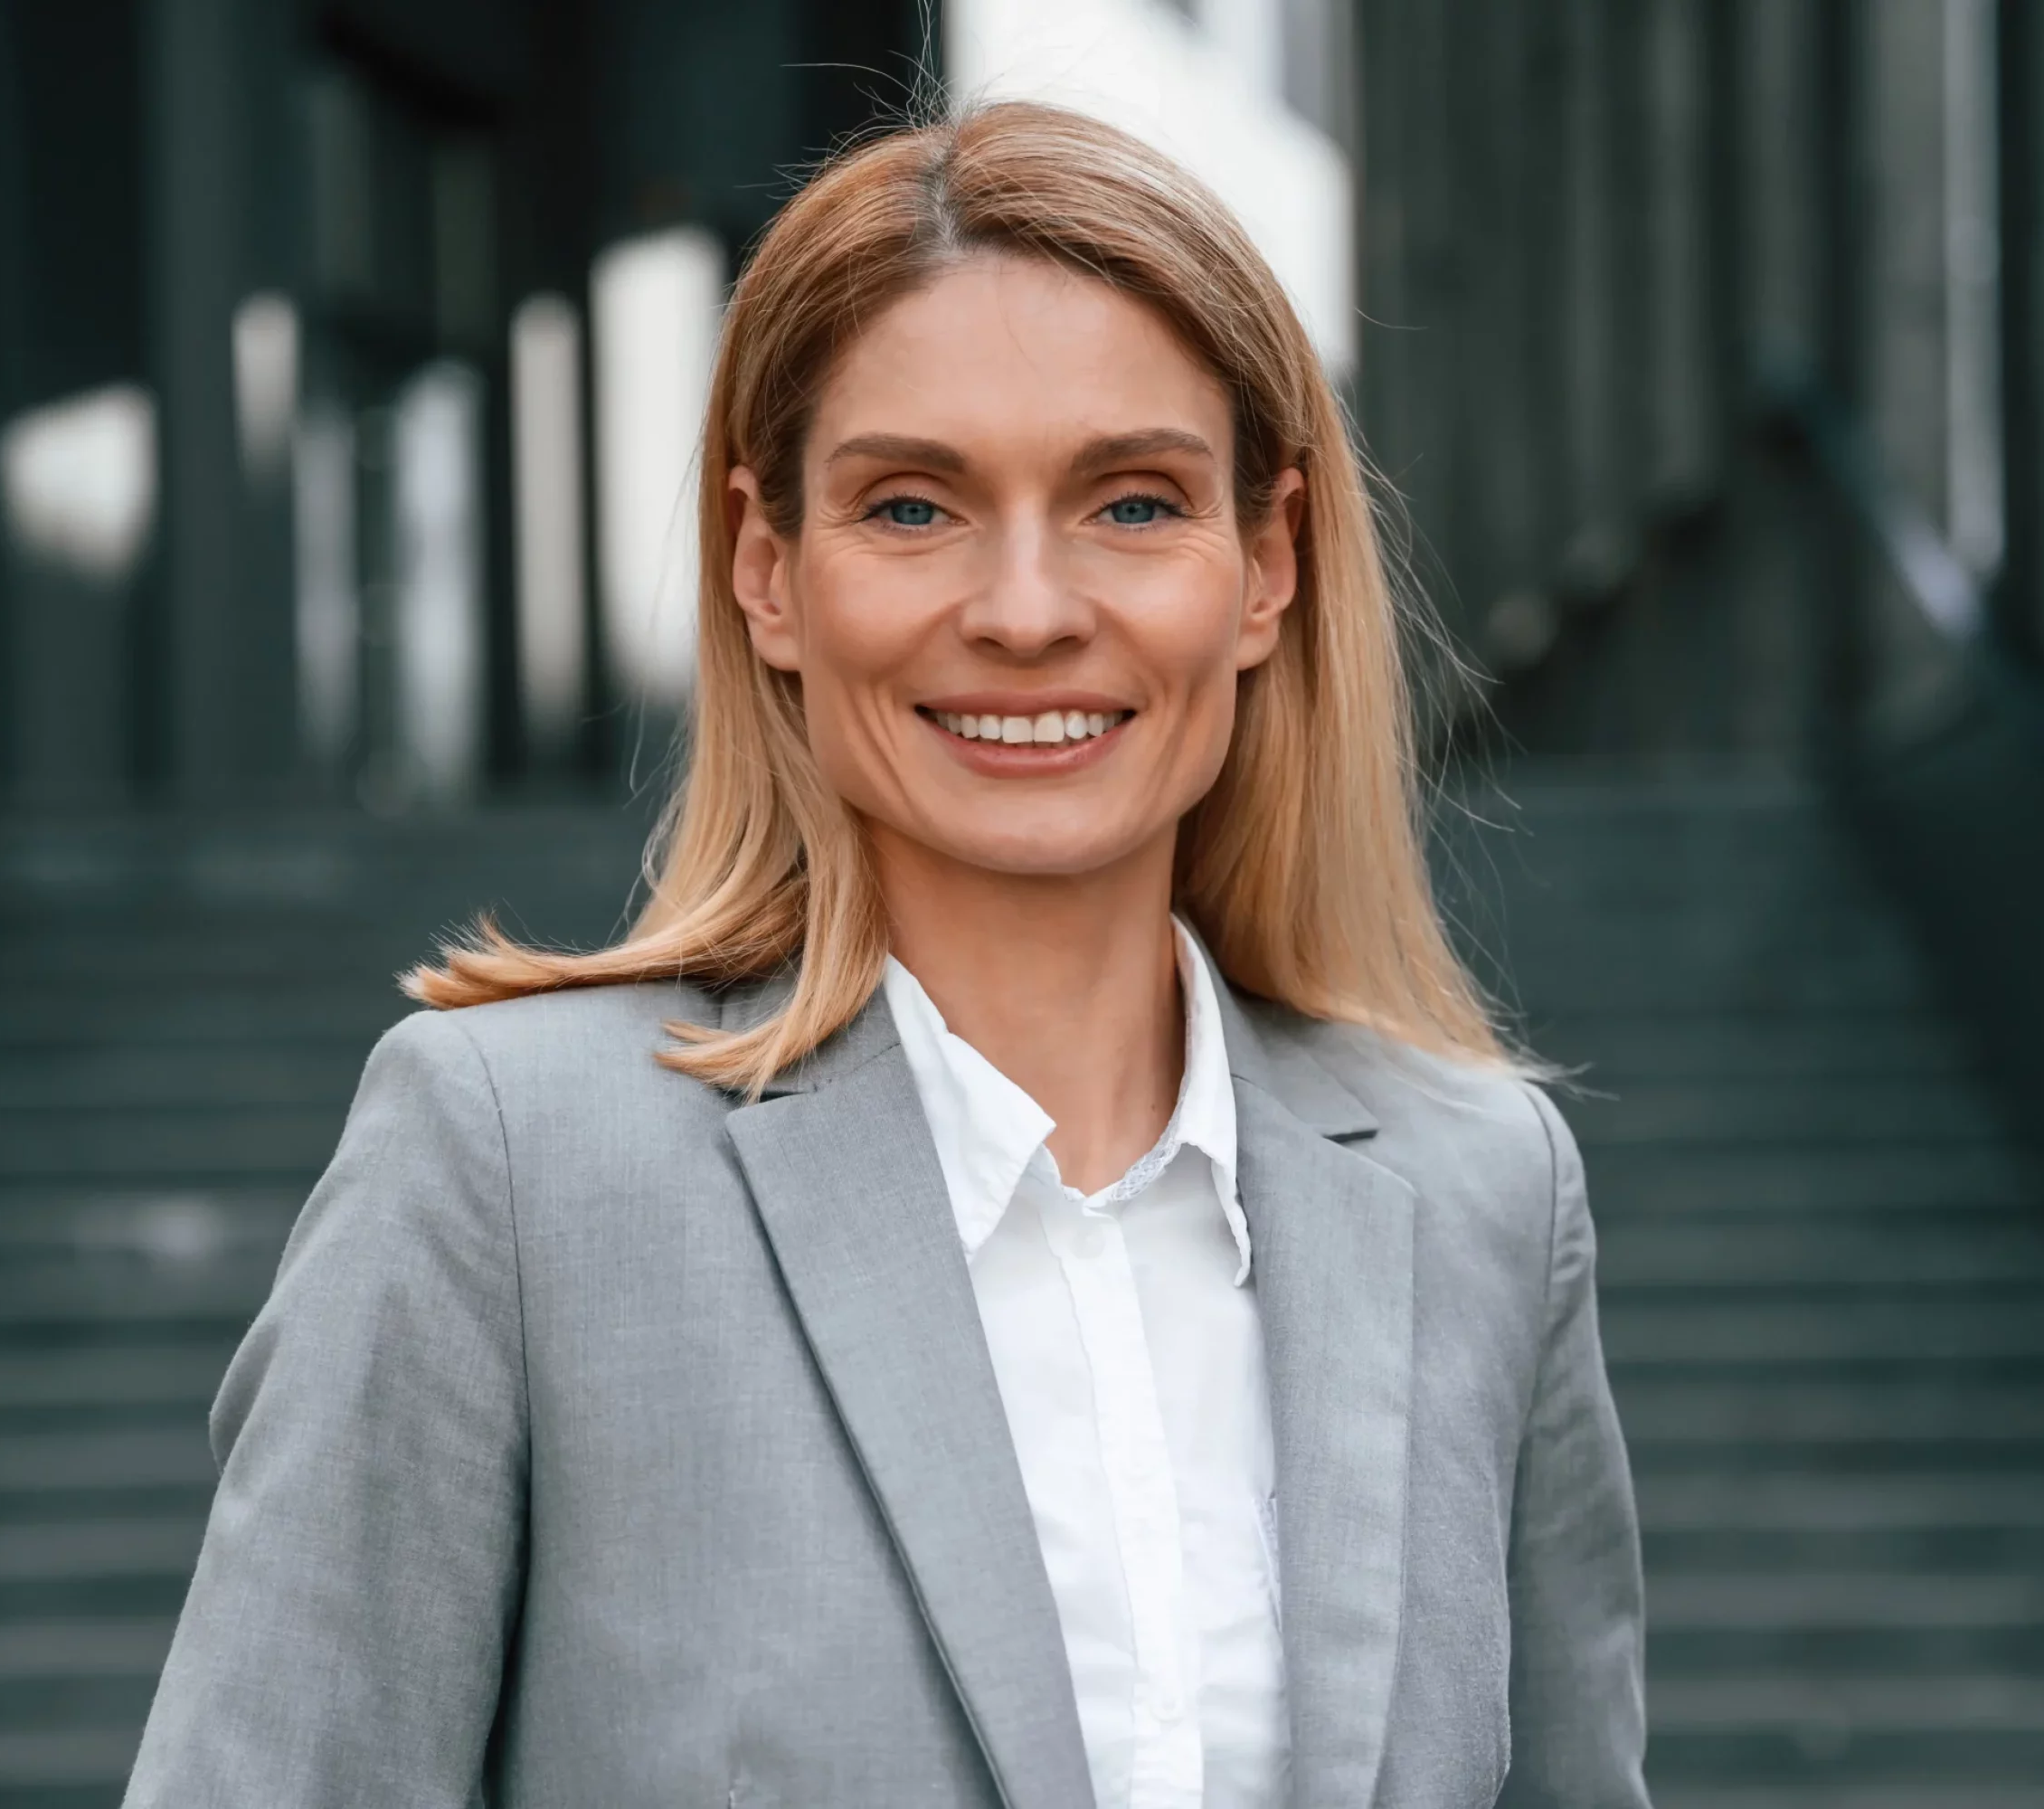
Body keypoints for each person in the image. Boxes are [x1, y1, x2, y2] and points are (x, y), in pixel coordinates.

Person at [124, 99, 1647, 1809]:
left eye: (1134, 505)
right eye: (913, 509)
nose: (1022, 608)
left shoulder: (1484, 1194)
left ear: (1268, 564)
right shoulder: (512, 1170)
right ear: (770, 572)